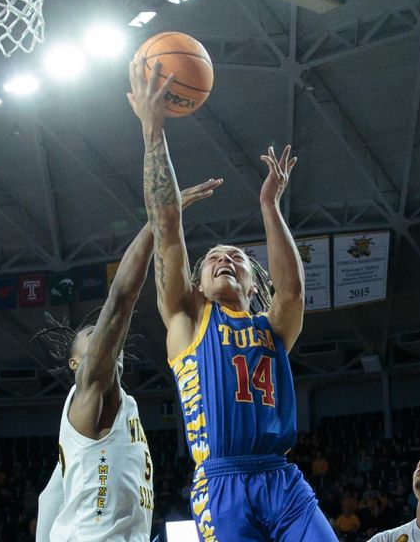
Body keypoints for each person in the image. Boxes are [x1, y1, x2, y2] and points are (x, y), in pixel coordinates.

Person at [127, 58, 336, 541]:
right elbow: (167, 228)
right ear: (196, 284)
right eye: (213, 257)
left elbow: (294, 290)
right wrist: (152, 132)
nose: (224, 259)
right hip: (221, 484)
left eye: (238, 257)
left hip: (282, 480)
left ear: (254, 286)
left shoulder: (274, 327)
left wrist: (269, 205)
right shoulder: (186, 321)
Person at [33, 177, 221, 541]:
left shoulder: (121, 410)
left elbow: (51, 499)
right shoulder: (88, 394)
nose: (103, 338)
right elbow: (120, 299)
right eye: (92, 336)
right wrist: (159, 221)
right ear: (76, 365)